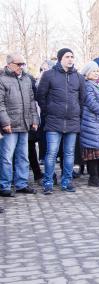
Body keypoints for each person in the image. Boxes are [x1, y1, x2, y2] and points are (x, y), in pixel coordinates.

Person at [36, 48, 85, 194]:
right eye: (66, 57)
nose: (70, 59)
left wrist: (76, 112)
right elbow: (40, 96)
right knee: (51, 153)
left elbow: (82, 99)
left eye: (72, 56)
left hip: (72, 121)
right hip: (53, 121)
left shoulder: (78, 77)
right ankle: (48, 182)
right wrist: (48, 110)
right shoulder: (49, 75)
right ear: (60, 59)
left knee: (69, 153)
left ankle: (66, 182)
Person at [0, 53, 39, 197]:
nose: (21, 67)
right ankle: (4, 185)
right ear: (9, 64)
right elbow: (0, 104)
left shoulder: (27, 80)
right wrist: (5, 122)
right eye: (18, 64)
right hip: (10, 126)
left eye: (23, 64)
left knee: (23, 156)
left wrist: (34, 119)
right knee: (6, 157)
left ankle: (21, 184)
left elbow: (32, 102)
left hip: (24, 124)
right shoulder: (2, 80)